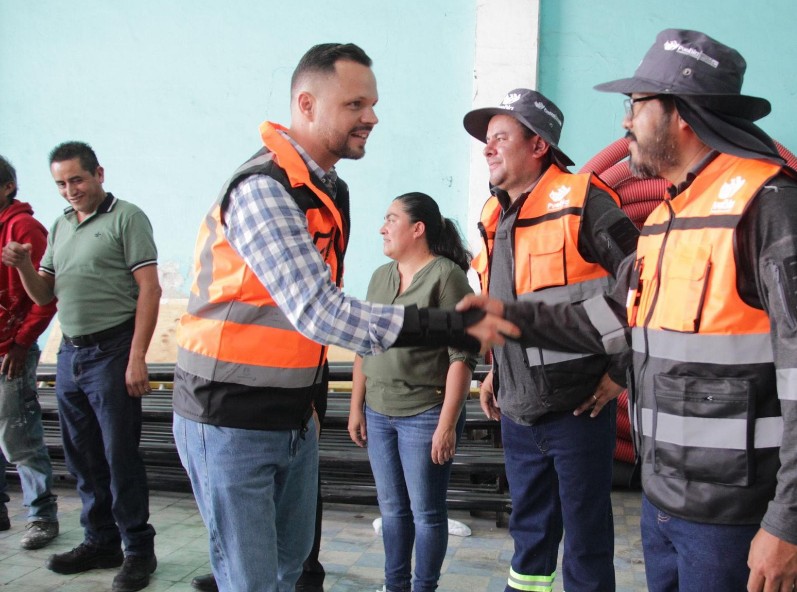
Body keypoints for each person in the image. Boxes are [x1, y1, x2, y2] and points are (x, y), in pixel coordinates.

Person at [460, 29, 797, 592]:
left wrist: (787, 520)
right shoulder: (666, 219)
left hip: (733, 513)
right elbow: (613, 315)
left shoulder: (769, 207)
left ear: (681, 113)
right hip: (662, 500)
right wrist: (506, 323)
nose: (624, 122)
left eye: (636, 105)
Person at [173, 42, 512, 592]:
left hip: (292, 417)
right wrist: (450, 325)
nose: (371, 117)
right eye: (355, 104)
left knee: (290, 571)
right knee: (251, 581)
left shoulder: (327, 191)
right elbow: (319, 311)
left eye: (372, 104)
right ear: (306, 105)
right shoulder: (264, 190)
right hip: (229, 416)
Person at [460, 89, 638, 592]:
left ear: (538, 145)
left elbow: (648, 284)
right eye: (487, 139)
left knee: (585, 540)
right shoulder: (494, 216)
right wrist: (497, 370)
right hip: (518, 412)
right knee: (530, 537)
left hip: (577, 411)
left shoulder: (583, 202)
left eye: (501, 137)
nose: (488, 148)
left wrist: (619, 372)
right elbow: (507, 306)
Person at [2, 141, 162, 592]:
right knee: (82, 456)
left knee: (119, 456)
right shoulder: (61, 225)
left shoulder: (127, 218)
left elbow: (149, 289)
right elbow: (43, 294)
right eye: (61, 183)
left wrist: (137, 357)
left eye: (76, 179)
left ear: (98, 174)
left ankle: (138, 550)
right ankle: (101, 541)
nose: (70, 190)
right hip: (71, 354)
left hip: (113, 351)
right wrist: (24, 265)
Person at [348, 192, 477, 592]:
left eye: (391, 219)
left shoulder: (446, 277)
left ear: (418, 228)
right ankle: (395, 586)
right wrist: (356, 407)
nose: (382, 228)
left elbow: (462, 356)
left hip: (425, 413)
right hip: (378, 411)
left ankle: (423, 588)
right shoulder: (379, 277)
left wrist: (446, 425)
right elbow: (364, 345)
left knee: (426, 513)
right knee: (391, 511)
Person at [0, 155, 59, 550]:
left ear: (8, 187)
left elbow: (45, 297)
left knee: (19, 435)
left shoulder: (24, 228)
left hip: (11, 351)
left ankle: (41, 516)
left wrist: (22, 343)